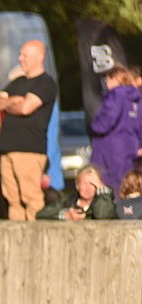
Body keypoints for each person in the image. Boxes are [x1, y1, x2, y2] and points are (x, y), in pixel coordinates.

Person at [0, 40, 58, 220]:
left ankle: (36, 239)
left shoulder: (46, 83)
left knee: (30, 196)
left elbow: (26, 108)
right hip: (7, 148)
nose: (20, 58)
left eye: (24, 55)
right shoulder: (18, 82)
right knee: (12, 198)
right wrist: (14, 100)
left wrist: (10, 103)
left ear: (39, 57)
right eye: (20, 54)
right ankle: (16, 239)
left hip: (29, 149)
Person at [90, 65, 142, 196]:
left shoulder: (115, 95)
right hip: (131, 147)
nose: (106, 83)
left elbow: (106, 120)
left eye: (107, 79)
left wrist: (95, 126)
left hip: (110, 148)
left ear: (114, 78)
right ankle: (127, 211)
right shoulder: (137, 98)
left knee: (108, 185)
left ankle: (110, 212)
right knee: (126, 184)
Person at [37, 164, 115, 220]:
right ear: (77, 185)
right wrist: (65, 215)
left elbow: (102, 215)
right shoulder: (66, 201)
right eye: (84, 183)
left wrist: (103, 189)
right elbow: (41, 215)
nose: (87, 188)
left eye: (92, 184)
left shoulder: (106, 201)